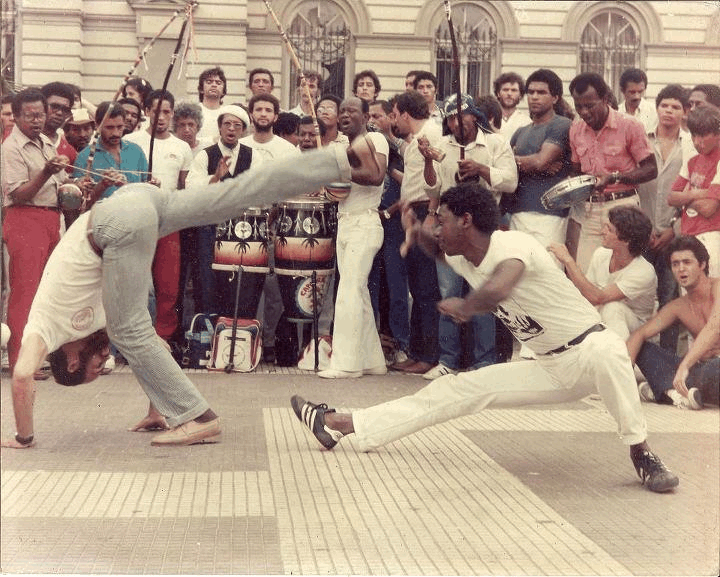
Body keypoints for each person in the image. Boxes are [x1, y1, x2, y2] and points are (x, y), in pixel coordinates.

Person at [291, 182, 680, 494]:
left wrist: (466, 305)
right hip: (547, 366)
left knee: (610, 349)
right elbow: (437, 250)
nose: (438, 228)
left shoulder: (514, 245)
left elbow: (498, 288)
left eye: (442, 221)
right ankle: (342, 422)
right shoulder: (463, 255)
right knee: (453, 391)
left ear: (466, 220)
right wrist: (417, 230)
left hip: (588, 350)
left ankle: (642, 453)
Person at [0, 137, 383, 450]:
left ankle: (200, 419)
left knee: (128, 330)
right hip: (136, 202)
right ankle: (338, 160)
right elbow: (158, 349)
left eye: (92, 371)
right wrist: (157, 407)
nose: (100, 367)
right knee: (232, 196)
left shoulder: (45, 326)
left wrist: (24, 437)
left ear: (70, 363)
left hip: (115, 221)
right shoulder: (93, 319)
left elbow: (21, 375)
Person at [421, 93, 517, 379]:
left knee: (481, 290)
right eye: (450, 118)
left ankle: (483, 363)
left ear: (474, 116)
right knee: (449, 291)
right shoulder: (442, 145)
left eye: (461, 116)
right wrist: (428, 162)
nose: (456, 122)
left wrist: (481, 169)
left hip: (483, 228)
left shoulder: (496, 143)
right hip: (450, 226)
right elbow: (433, 188)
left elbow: (510, 182)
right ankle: (448, 360)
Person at [318, 96, 388, 378]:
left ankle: (346, 365)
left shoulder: (374, 140)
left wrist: (338, 169)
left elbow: (376, 176)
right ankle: (373, 362)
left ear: (366, 116)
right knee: (357, 293)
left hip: (365, 223)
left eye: (352, 111)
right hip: (347, 223)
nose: (345, 115)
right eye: (341, 111)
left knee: (348, 292)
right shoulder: (347, 146)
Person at [2, 88, 69, 372]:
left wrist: (81, 186)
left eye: (40, 114)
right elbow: (18, 194)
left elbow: (60, 184)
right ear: (15, 117)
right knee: (25, 293)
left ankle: (39, 358)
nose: (36, 121)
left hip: (51, 218)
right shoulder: (10, 148)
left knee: (48, 293)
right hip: (24, 219)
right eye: (29, 116)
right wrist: (46, 172)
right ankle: (20, 362)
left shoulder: (45, 142)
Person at [567, 72, 657, 272]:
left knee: (623, 273)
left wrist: (614, 177)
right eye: (578, 106)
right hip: (589, 211)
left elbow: (651, 169)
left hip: (623, 208)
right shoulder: (575, 129)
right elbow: (575, 170)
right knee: (587, 272)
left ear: (606, 99)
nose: (584, 112)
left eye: (589, 105)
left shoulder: (630, 125)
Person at [125, 90, 193, 347]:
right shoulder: (131, 141)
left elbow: (185, 186)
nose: (162, 117)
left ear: (173, 113)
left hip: (167, 221)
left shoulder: (182, 147)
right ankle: (132, 339)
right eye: (156, 111)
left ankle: (163, 337)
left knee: (168, 284)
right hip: (136, 218)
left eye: (167, 111)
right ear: (146, 111)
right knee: (135, 282)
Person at [636, 84, 696, 352]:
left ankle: (668, 357)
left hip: (673, 235)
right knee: (638, 295)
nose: (669, 111)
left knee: (670, 297)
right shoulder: (641, 141)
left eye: (675, 107)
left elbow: (690, 196)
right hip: (639, 234)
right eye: (664, 106)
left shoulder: (691, 147)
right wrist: (641, 226)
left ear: (684, 112)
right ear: (657, 107)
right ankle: (636, 356)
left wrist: (673, 230)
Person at [628, 235, 719, 409]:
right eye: (675, 264)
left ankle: (663, 389)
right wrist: (621, 380)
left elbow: (714, 327)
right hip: (700, 369)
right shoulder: (677, 306)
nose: (681, 269)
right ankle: (675, 393)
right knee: (644, 349)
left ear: (702, 265)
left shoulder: (718, 288)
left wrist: (685, 365)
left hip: (714, 369)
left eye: (687, 262)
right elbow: (640, 334)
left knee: (714, 368)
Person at [186, 104, 259, 317]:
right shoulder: (204, 156)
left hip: (241, 230)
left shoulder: (252, 156)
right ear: (219, 127)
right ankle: (208, 336)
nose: (231, 129)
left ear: (244, 130)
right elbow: (192, 189)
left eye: (237, 125)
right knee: (207, 282)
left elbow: (258, 190)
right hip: (210, 229)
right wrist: (216, 178)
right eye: (227, 124)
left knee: (238, 285)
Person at [389, 91, 442, 375]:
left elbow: (436, 180)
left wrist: (428, 215)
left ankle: (429, 355)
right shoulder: (413, 143)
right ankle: (419, 352)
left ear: (406, 114)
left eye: (396, 114)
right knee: (419, 288)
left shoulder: (432, 135)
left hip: (426, 214)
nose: (395, 120)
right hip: (412, 213)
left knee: (426, 288)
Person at [549, 206, 656, 340]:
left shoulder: (644, 271)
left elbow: (598, 298)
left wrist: (568, 260)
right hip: (602, 319)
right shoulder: (601, 254)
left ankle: (619, 359)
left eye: (609, 229)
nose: (602, 232)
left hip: (637, 331)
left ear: (626, 240)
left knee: (612, 308)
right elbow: (586, 297)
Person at [508, 69, 573, 256]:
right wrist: (533, 162)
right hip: (519, 212)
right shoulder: (520, 132)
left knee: (547, 274)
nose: (534, 97)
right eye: (531, 92)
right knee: (518, 278)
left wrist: (534, 162)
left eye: (541, 92)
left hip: (550, 215)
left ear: (555, 98)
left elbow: (540, 162)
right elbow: (505, 165)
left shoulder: (561, 125)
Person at [668, 103, 720, 278]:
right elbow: (670, 197)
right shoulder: (692, 160)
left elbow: (709, 209)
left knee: (711, 296)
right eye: (694, 135)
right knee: (688, 296)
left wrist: (685, 197)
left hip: (711, 235)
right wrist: (699, 193)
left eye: (704, 135)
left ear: (717, 135)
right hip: (688, 234)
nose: (697, 142)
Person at [74, 102, 148, 203]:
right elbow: (82, 203)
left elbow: (147, 189)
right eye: (109, 127)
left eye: (120, 127)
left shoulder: (136, 151)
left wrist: (154, 184)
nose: (116, 133)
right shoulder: (84, 157)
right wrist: (103, 185)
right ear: (97, 125)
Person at [40, 82, 77, 168]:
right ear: (41, 105)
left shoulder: (70, 152)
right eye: (54, 106)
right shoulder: (24, 140)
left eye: (65, 109)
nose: (59, 113)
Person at [493, 72, 531, 140]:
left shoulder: (526, 122)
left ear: (520, 95)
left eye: (514, 90)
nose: (509, 93)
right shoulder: (489, 119)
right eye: (505, 90)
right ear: (498, 93)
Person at [618, 68, 657, 134]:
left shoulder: (654, 113)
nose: (637, 96)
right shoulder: (616, 112)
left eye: (640, 92)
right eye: (632, 92)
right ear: (622, 91)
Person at [196, 66, 227, 141]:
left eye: (218, 83)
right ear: (201, 89)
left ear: (223, 91)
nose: (214, 85)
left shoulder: (227, 113)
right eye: (209, 82)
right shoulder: (194, 111)